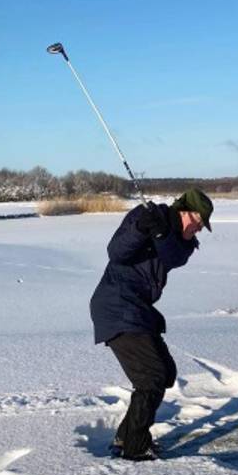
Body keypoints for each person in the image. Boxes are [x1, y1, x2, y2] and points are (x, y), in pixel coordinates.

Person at [90, 188, 213, 461]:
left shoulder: (184, 244)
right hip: (116, 305)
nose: (199, 227)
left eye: (203, 224)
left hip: (139, 310)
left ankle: (126, 435)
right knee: (152, 377)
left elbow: (172, 257)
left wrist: (161, 234)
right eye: (198, 220)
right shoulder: (145, 214)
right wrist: (140, 228)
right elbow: (117, 252)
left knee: (165, 373)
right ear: (184, 211)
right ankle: (134, 447)